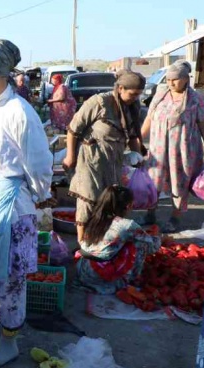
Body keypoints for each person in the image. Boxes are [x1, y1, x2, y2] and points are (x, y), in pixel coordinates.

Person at [0, 40, 53, 366]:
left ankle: (9, 341)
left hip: (13, 203)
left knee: (9, 276)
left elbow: (39, 162)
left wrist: (39, 195)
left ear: (6, 75)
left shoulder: (19, 111)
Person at [62, 71, 145, 242]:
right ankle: (83, 243)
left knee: (112, 199)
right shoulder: (100, 102)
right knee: (89, 198)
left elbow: (133, 135)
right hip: (92, 158)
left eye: (138, 94)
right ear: (120, 88)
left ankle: (103, 240)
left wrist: (138, 157)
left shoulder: (132, 107)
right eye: (133, 94)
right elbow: (73, 130)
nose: (135, 98)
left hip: (115, 160)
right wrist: (70, 157)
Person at [142, 60, 204, 232]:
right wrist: (136, 140)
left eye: (175, 79)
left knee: (180, 182)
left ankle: (175, 217)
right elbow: (149, 118)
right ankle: (150, 213)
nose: (171, 83)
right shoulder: (160, 94)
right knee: (153, 180)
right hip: (158, 148)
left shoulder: (195, 99)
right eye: (168, 79)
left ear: (186, 79)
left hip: (183, 150)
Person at [75, 185, 161, 294]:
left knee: (128, 239)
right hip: (98, 276)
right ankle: (132, 280)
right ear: (128, 205)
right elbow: (153, 247)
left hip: (82, 268)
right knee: (140, 244)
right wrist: (158, 236)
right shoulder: (127, 225)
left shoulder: (96, 216)